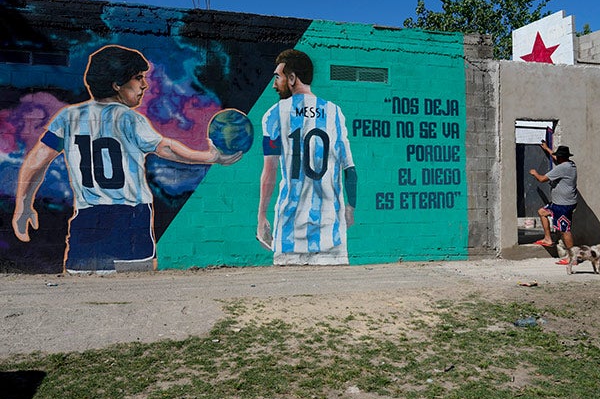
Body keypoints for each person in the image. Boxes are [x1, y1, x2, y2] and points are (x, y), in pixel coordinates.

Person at [13, 45, 242, 273]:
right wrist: (211, 157)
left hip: (87, 221)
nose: (144, 84)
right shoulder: (130, 120)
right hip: (130, 218)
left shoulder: (68, 117)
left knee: (81, 292)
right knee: (135, 293)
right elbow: (167, 148)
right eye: (138, 78)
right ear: (117, 84)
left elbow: (37, 160)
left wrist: (24, 204)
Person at [256, 49, 357, 265]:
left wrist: (261, 215)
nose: (274, 84)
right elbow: (351, 171)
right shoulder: (335, 113)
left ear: (292, 78)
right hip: (331, 230)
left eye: (278, 77)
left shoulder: (273, 115)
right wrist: (350, 208)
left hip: (289, 230)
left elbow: (269, 172)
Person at [529, 142, 578, 265]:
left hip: (563, 205)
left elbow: (542, 179)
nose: (556, 158)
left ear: (561, 158)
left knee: (565, 230)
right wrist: (547, 149)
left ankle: (573, 258)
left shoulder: (562, 168)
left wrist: (534, 173)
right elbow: (557, 159)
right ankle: (548, 239)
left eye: (558, 156)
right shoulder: (570, 164)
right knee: (542, 212)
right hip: (559, 203)